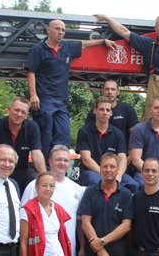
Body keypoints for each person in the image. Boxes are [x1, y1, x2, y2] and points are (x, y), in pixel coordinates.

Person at [25, 19, 116, 156]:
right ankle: (43, 170)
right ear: (48, 30)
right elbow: (31, 72)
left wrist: (103, 41)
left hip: (60, 101)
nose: (60, 32)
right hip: (44, 99)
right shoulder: (38, 49)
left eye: (63, 30)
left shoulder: (66, 47)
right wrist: (33, 95)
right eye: (57, 29)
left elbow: (84, 44)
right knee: (44, 135)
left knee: (64, 135)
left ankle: (57, 166)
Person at [94, 13, 159, 129]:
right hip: (153, 86)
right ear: (155, 28)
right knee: (149, 125)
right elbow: (125, 33)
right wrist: (107, 18)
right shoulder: (148, 44)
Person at [76, 96, 138, 193]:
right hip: (92, 172)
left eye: (107, 110)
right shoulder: (84, 132)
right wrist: (104, 173)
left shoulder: (118, 133)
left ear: (111, 113)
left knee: (133, 185)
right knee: (97, 183)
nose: (105, 112)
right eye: (101, 109)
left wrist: (119, 174)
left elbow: (122, 158)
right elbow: (86, 159)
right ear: (95, 111)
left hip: (113, 172)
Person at [0, 96, 47, 192]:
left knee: (35, 179)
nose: (19, 114)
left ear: (26, 115)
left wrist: (45, 177)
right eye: (16, 110)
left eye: (23, 112)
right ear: (9, 110)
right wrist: (6, 159)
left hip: (20, 171)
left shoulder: (32, 127)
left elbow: (37, 154)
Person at [84, 78, 139, 148]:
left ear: (118, 92)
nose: (110, 92)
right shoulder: (92, 113)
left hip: (121, 153)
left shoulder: (127, 109)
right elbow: (88, 135)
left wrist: (131, 152)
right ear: (102, 91)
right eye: (107, 89)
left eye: (113, 89)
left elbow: (134, 133)